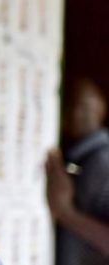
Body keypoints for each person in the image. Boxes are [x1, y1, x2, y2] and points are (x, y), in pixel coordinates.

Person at [46, 79, 109, 264]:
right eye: (71, 105)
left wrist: (67, 213)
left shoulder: (102, 161)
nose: (77, 113)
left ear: (102, 106)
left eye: (86, 105)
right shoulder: (78, 157)